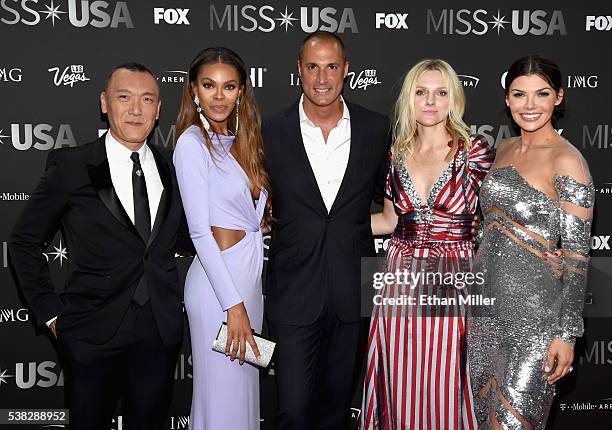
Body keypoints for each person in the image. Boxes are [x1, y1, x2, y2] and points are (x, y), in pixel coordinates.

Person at [9, 63, 192, 429]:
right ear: (105, 103)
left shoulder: (173, 166)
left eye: (147, 100)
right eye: (124, 98)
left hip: (158, 332)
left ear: (158, 110)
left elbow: (184, 238)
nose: (136, 110)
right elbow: (23, 242)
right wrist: (51, 314)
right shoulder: (72, 166)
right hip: (90, 332)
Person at [262, 31, 389, 429]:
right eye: (312, 67)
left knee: (335, 412)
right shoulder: (270, 131)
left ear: (346, 71)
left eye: (331, 66)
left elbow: (392, 205)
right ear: (299, 71)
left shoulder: (375, 128)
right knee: (294, 411)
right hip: (294, 292)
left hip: (352, 293)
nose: (322, 77)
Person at [361, 59, 494, 429]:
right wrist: (320, 225)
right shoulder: (395, 153)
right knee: (401, 379)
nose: (430, 102)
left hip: (454, 277)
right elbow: (388, 221)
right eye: (421, 92)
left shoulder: (474, 152)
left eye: (440, 92)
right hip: (400, 277)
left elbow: (496, 221)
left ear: (454, 99)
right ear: (409, 98)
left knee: (446, 383)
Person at [467, 55, 594, 429]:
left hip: (535, 322)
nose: (530, 105)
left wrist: (566, 334)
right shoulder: (502, 151)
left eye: (541, 94)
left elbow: (576, 255)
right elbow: (485, 229)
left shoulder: (568, 160)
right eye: (519, 95)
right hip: (485, 315)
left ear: (558, 98)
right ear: (507, 100)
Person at [173, 47, 272, 430]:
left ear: (241, 92)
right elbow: (199, 230)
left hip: (248, 286)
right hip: (220, 291)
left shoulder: (243, 143)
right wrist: (233, 305)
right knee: (221, 398)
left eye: (228, 86)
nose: (219, 96)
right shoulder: (192, 144)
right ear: (193, 90)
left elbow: (246, 218)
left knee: (243, 396)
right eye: (209, 86)